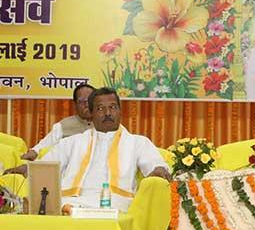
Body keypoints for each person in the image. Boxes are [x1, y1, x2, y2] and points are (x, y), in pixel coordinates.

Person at [41, 87, 171, 212]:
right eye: (100, 108)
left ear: (120, 111)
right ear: (91, 113)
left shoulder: (137, 142)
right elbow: (42, 168)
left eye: (113, 107)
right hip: (71, 202)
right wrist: (27, 168)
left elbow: (156, 166)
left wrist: (158, 169)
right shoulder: (72, 142)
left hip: (116, 204)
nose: (108, 113)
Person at [21, 84, 95, 161]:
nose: (87, 104)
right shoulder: (63, 126)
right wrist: (33, 152)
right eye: (82, 101)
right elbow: (44, 146)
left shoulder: (105, 125)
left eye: (90, 100)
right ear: (75, 104)